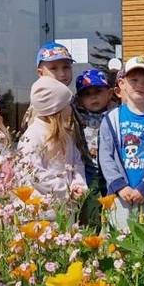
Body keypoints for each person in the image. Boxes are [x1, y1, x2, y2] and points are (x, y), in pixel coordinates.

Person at [98, 56, 144, 229]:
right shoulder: (111, 119)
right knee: (120, 243)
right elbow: (105, 156)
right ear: (122, 83)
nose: (140, 85)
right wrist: (119, 185)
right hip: (120, 194)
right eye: (133, 80)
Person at [17, 76, 88, 204]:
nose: (71, 109)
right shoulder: (32, 136)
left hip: (66, 207)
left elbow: (76, 162)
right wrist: (64, 189)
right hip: (42, 209)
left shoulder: (66, 135)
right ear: (57, 111)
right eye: (68, 105)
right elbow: (34, 173)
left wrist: (78, 184)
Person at [72, 68, 115, 226]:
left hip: (112, 173)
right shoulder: (77, 114)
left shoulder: (116, 112)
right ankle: (90, 242)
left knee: (114, 216)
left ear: (109, 94)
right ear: (79, 99)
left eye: (98, 91)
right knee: (90, 215)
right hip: (89, 171)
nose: (93, 97)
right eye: (86, 94)